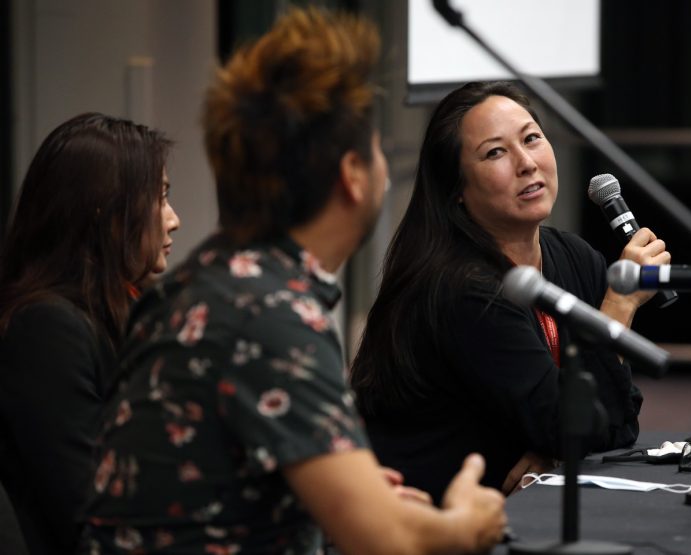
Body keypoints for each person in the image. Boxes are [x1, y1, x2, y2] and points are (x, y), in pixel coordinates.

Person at [79, 7, 507, 555]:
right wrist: (468, 522)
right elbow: (388, 543)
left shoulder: (204, 283)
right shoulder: (270, 314)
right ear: (352, 176)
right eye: (375, 150)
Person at [350, 81, 671, 504]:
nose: (526, 163)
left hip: (511, 510)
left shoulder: (575, 257)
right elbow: (578, 424)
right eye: (495, 152)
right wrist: (620, 303)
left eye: (532, 138)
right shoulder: (459, 289)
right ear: (457, 191)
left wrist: (552, 450)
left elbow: (617, 424)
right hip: (425, 522)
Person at [0, 112, 180, 555]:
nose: (173, 219)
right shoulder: (47, 327)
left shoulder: (127, 312)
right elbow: (90, 511)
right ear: (105, 213)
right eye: (158, 199)